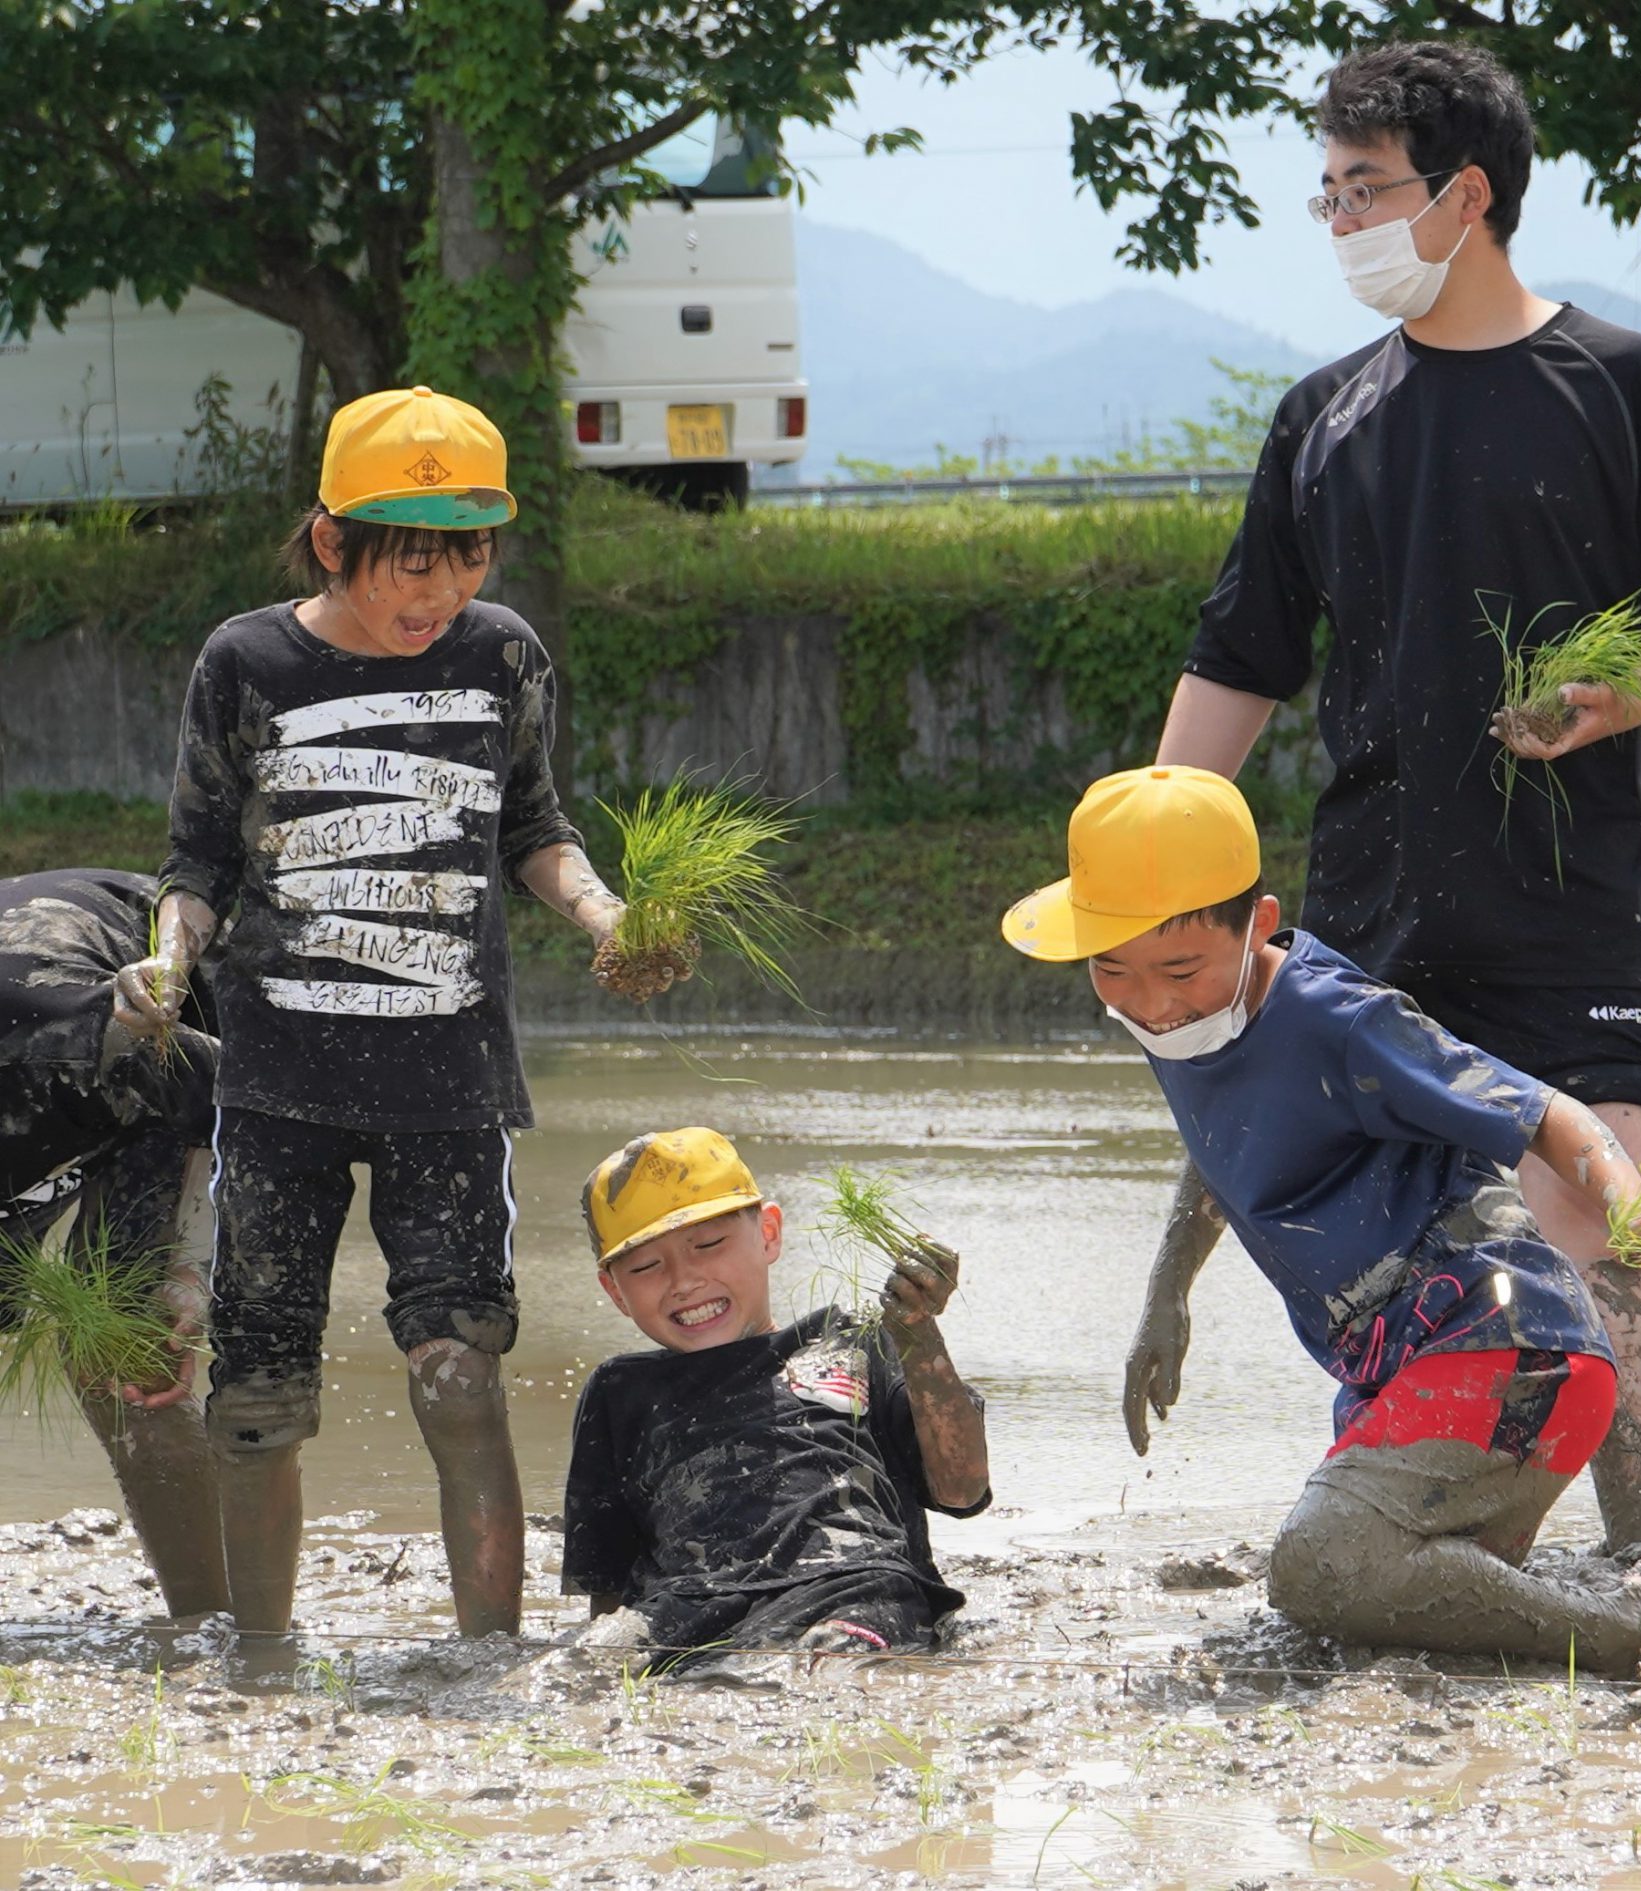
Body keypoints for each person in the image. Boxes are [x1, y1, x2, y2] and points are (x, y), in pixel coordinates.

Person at [1150, 40, 1641, 1551]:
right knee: (1396, 1244)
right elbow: (1243, 659)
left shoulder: (1625, 385)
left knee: (1606, 1213)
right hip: (1372, 899)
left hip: (1581, 894)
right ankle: (1405, 1548)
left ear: (1466, 195)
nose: (1340, 218)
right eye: (1331, 191)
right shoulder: (1322, 419)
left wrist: (1609, 699)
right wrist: (1146, 854)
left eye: (1367, 188)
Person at [112, 385, 674, 1639]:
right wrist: (164, 962)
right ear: (332, 542)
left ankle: (490, 1662)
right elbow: (197, 862)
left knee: (461, 1375)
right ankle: (261, 1660)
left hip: (450, 1082)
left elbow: (534, 827)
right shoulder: (245, 662)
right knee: (255, 1400)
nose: (440, 595)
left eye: (468, 557)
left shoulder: (502, 655)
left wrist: (605, 918)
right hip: (274, 1081)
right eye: (410, 565)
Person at [1005, 766, 1641, 1675]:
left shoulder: (1342, 1022)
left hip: (1513, 1356)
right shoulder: (1190, 1019)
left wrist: (1628, 1196)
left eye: (1178, 970)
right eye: (1111, 971)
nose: (1150, 1004)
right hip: (1403, 1375)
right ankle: (1565, 1602)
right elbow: (1226, 1130)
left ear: (1257, 925)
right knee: (1375, 1596)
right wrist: (1166, 1293)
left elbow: (1541, 1114)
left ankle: (1614, 1624)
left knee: (1316, 1565)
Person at [562, 1128, 989, 1670]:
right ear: (615, 1291)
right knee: (588, 1667)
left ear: (767, 1234)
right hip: (695, 1602)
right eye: (647, 1267)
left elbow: (962, 1487)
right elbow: (608, 1582)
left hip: (849, 1585)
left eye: (709, 1245)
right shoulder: (619, 1391)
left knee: (838, 1663)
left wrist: (917, 1333)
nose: (684, 1280)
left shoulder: (851, 1340)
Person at [0, 867, 227, 1619]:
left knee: (122, 1341)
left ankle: (213, 1620)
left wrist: (189, 1268)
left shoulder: (59, 1051)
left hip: (148, 1017)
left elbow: (215, 1088)